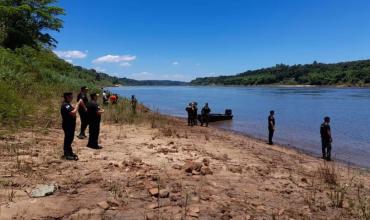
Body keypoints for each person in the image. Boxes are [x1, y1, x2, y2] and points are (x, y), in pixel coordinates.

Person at [61, 92, 82, 160]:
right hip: (67, 125)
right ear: (67, 97)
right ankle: (66, 154)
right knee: (68, 139)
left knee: (70, 139)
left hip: (70, 125)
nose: (72, 98)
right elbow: (73, 113)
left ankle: (70, 152)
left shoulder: (68, 104)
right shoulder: (65, 105)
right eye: (71, 96)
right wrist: (78, 104)